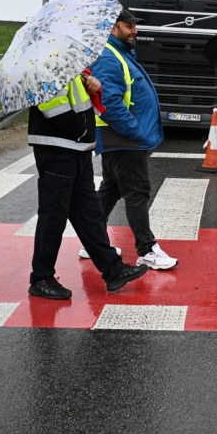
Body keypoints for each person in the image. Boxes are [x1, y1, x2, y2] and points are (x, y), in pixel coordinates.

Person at [28, 72, 149, 299]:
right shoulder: (45, 66)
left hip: (78, 149)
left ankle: (113, 270)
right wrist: (81, 128)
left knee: (89, 213)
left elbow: (78, 98)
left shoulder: (69, 63)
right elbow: (52, 105)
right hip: (58, 149)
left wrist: (92, 86)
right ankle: (41, 278)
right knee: (53, 216)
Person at [77, 9, 178, 270]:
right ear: (113, 28)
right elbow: (109, 102)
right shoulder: (110, 58)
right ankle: (147, 249)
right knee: (137, 193)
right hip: (123, 139)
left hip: (118, 139)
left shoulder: (119, 53)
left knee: (110, 190)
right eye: (129, 25)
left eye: (135, 25)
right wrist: (135, 131)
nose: (135, 30)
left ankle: (92, 242)